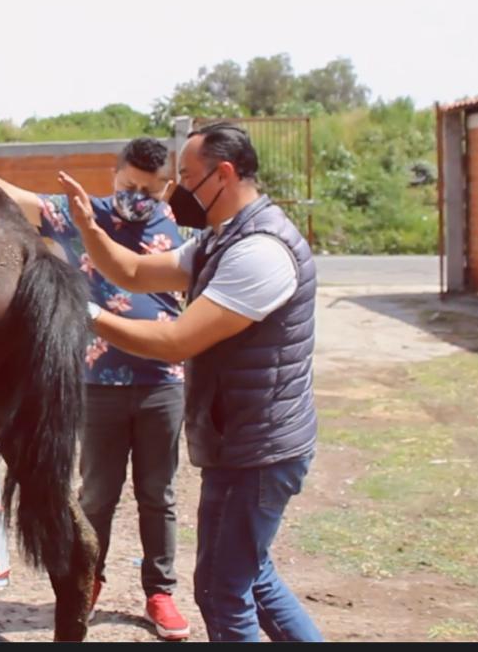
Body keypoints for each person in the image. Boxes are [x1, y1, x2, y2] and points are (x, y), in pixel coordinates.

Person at [56, 121, 323, 642]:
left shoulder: (260, 252)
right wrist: (89, 227)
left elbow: (177, 340)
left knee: (224, 593)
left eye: (188, 176)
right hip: (239, 443)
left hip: (261, 450)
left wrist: (82, 312)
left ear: (224, 175)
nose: (176, 190)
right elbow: (134, 271)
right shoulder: (222, 240)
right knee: (252, 577)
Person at [0, 137, 192, 640]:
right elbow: (17, 196)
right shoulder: (83, 215)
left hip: (162, 382)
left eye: (149, 191)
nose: (138, 198)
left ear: (165, 188)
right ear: (115, 176)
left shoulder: (178, 225)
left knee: (159, 494)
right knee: (97, 494)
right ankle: (88, 579)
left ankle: (160, 592)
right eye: (130, 186)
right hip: (99, 382)